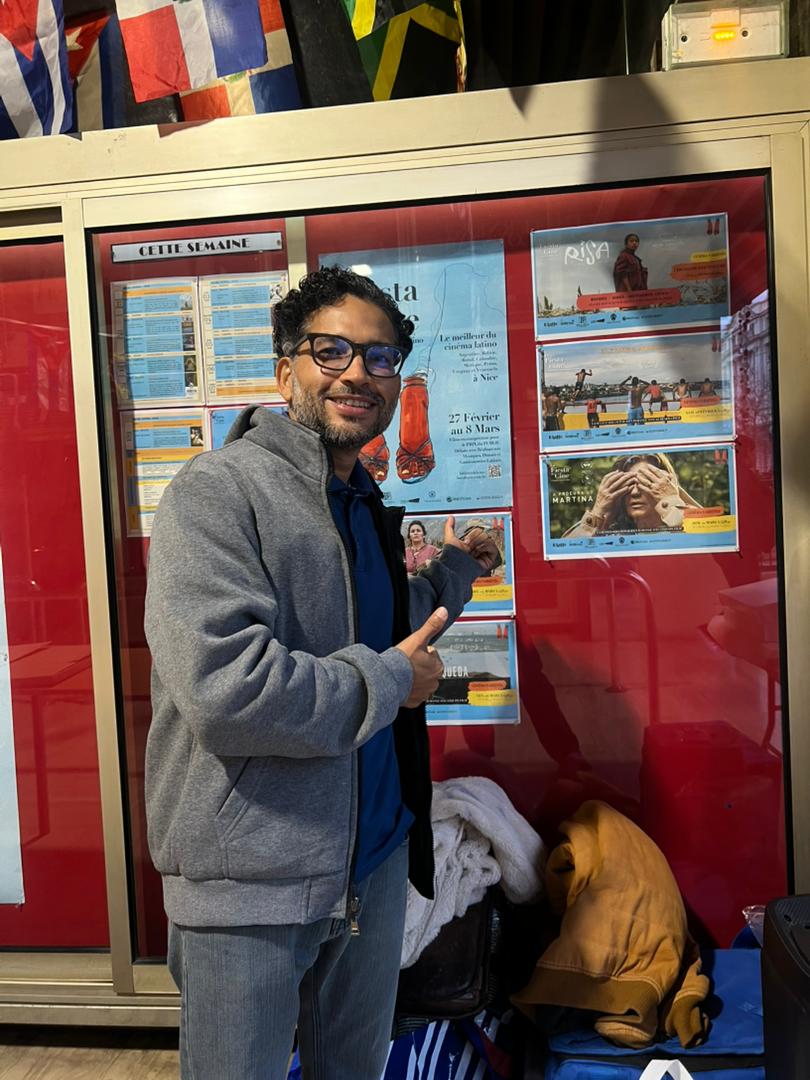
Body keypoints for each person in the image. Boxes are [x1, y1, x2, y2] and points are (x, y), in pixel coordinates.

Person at [143, 266, 500, 1080]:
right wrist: (390, 683)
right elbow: (227, 691)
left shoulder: (359, 501)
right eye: (330, 350)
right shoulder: (217, 493)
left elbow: (381, 625)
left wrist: (454, 571)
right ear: (285, 372)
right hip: (250, 884)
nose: (357, 373)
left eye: (379, 357)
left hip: (371, 865)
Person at [564, 452, 702, 537]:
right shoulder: (608, 533)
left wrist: (671, 502)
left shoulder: (691, 522)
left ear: (665, 487)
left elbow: (707, 548)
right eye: (628, 485)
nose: (635, 492)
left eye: (645, 483)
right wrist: (597, 514)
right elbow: (565, 562)